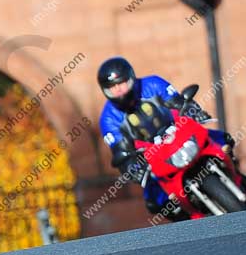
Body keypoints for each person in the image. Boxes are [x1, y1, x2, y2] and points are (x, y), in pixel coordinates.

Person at [97, 56, 236, 222]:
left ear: (131, 78)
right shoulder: (108, 119)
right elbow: (120, 150)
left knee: (224, 141)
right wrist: (131, 167)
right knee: (157, 202)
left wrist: (193, 110)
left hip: (182, 137)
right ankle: (193, 229)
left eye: (121, 83)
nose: (119, 90)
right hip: (155, 160)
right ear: (106, 91)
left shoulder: (153, 84)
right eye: (112, 87)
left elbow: (178, 103)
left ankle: (237, 175)